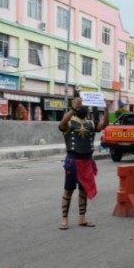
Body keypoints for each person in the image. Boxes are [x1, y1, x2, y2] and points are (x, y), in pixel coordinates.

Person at [58, 96, 109, 230]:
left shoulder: (90, 123)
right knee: (68, 190)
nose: (81, 107)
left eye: (82, 106)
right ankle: (64, 219)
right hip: (73, 161)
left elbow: (103, 125)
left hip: (87, 161)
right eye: (78, 105)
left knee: (83, 191)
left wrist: (107, 109)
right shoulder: (69, 121)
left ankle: (82, 218)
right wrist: (73, 109)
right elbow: (62, 124)